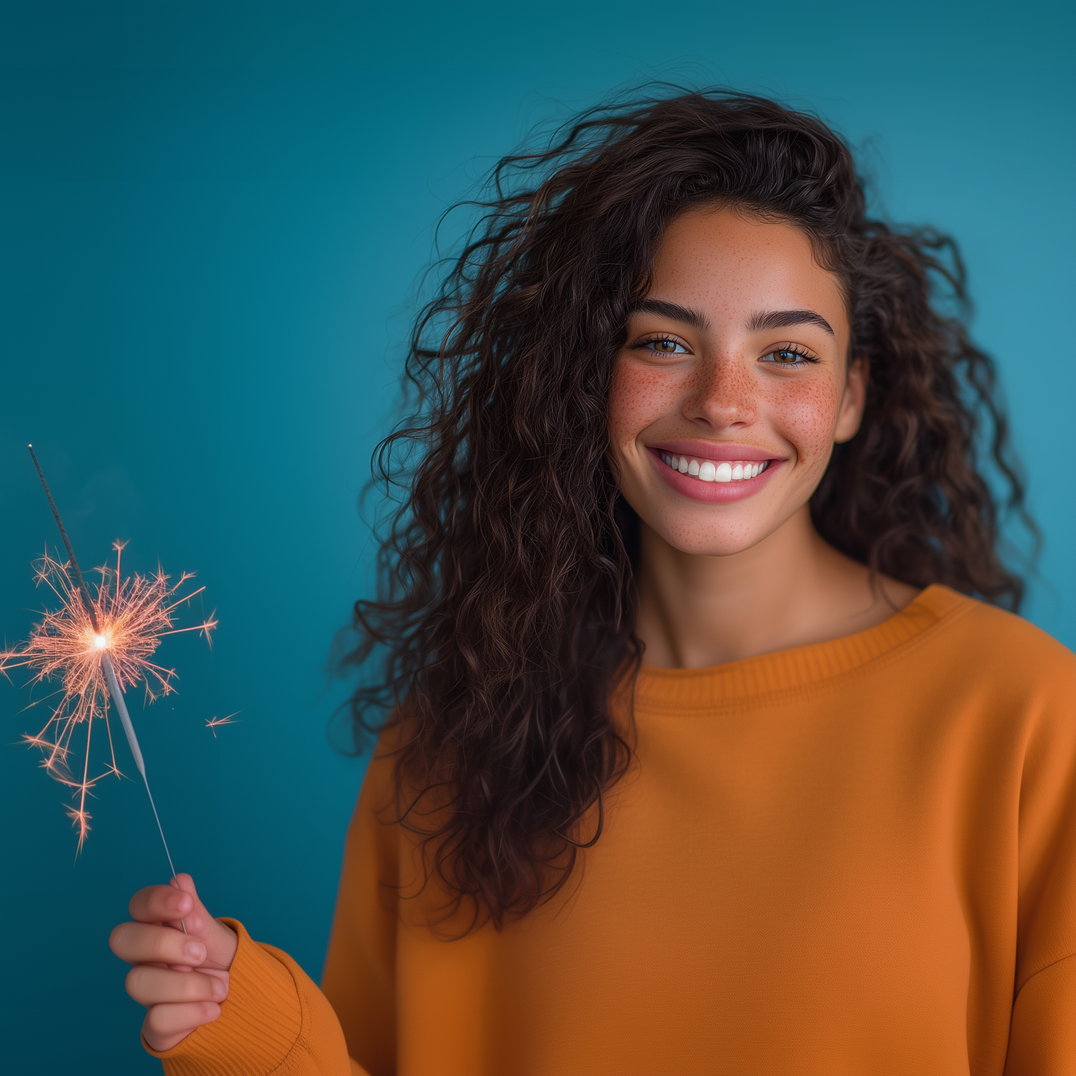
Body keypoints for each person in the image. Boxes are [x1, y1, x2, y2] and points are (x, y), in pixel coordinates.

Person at [108, 90, 1076, 1075]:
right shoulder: (447, 739)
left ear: (848, 397)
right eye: (663, 342)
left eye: (785, 354)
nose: (721, 405)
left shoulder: (1025, 718)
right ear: (585, 371)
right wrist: (249, 1029)